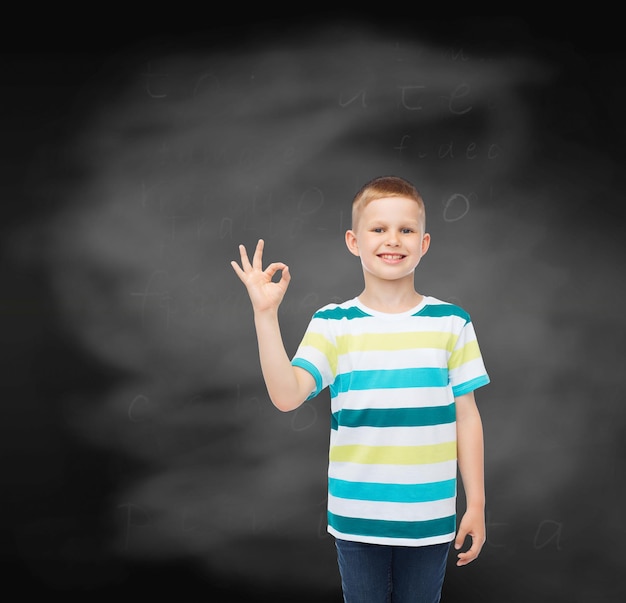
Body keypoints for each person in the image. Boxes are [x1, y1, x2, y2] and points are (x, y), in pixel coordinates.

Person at [230, 175, 490, 603]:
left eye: (406, 230)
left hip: (429, 518)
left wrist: (476, 503)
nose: (393, 240)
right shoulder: (332, 324)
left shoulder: (452, 322)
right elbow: (286, 395)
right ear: (354, 241)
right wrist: (265, 315)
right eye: (379, 229)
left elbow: (468, 415)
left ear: (424, 243)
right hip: (356, 518)